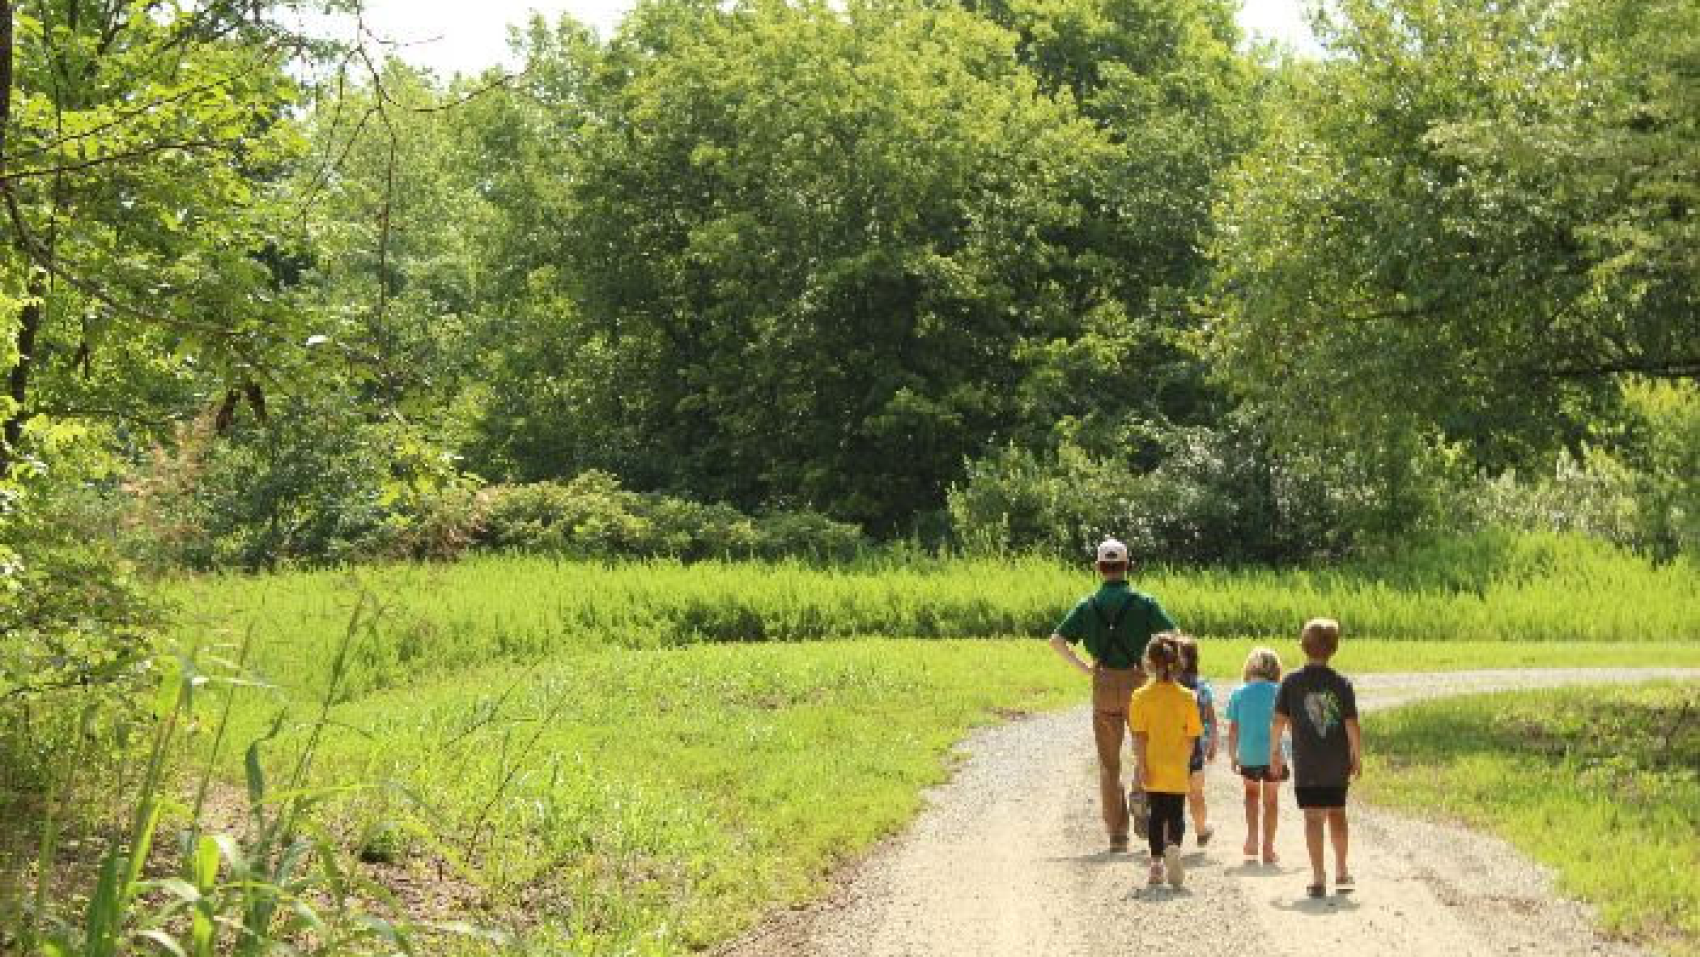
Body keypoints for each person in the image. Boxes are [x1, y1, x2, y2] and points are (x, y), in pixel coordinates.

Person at [1049, 539, 1180, 853]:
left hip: (1104, 681)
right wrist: (1152, 665)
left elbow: (1056, 640)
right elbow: (1174, 635)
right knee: (1144, 748)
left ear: (1098, 567)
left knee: (1109, 764)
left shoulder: (1088, 604)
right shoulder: (1144, 602)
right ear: (1127, 565)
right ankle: (1140, 794)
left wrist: (1083, 667)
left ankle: (1117, 833)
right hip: (1138, 682)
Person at [1271, 618, 1361, 898]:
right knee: (1337, 814)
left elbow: (1278, 722)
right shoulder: (1341, 684)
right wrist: (1356, 755)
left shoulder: (1291, 683)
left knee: (1312, 818)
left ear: (1303, 646)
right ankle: (1342, 871)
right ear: (1335, 648)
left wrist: (1274, 752)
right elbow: (1351, 724)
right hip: (1336, 762)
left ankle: (1318, 876)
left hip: (1307, 762)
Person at [1129, 634, 1201, 887]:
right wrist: (1186, 760)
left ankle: (1157, 864)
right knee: (1177, 813)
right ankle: (1174, 846)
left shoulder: (1140, 697)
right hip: (1177, 765)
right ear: (1177, 662)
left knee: (1156, 815)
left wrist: (1141, 766)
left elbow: (1139, 736)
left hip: (1153, 765)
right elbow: (1192, 734)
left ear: (1149, 662)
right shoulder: (1187, 697)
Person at [1225, 646, 1287, 863]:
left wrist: (1233, 755)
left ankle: (1252, 839)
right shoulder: (1280, 691)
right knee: (1271, 801)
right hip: (1275, 755)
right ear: (1276, 669)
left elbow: (1233, 729)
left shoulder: (1238, 693)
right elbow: (1289, 724)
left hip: (1249, 754)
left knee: (1251, 796)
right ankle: (1268, 848)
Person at [1174, 635, 1217, 846]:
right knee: (1196, 794)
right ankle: (1201, 829)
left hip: (1172, 749)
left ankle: (1171, 838)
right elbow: (1211, 717)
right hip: (1195, 750)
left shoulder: (1168, 687)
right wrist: (1213, 741)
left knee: (1174, 795)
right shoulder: (1202, 687)